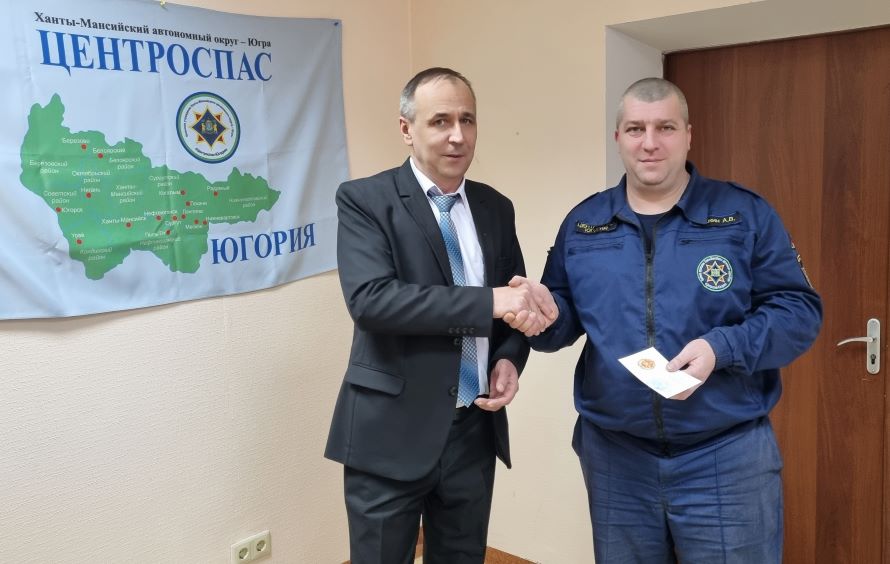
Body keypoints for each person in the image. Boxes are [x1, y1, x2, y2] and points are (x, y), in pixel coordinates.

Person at [523, 77, 823, 563]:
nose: (650, 142)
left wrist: (720, 348)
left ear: (688, 135)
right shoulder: (584, 224)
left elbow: (798, 311)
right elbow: (562, 321)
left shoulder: (743, 214)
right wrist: (541, 318)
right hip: (616, 459)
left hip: (725, 456)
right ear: (618, 137)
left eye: (665, 127)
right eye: (635, 129)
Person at [325, 67, 556, 564]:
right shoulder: (366, 200)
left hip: (473, 431)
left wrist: (510, 358)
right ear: (406, 129)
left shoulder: (496, 207)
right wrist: (490, 302)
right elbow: (372, 301)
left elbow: (512, 303)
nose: (457, 135)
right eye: (440, 121)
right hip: (390, 433)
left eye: (467, 120)